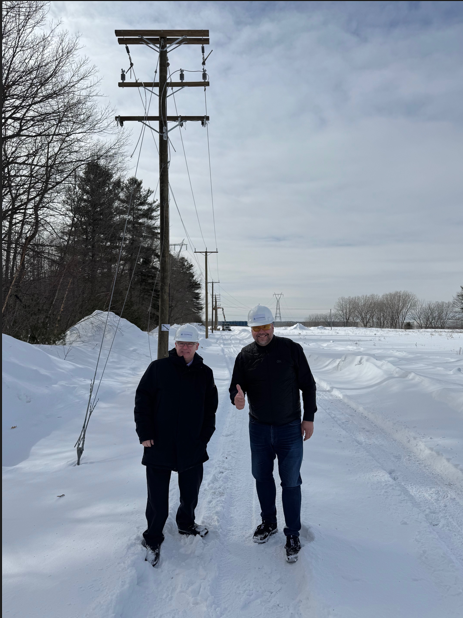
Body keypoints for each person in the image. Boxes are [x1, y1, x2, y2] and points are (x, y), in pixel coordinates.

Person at [229, 305, 317, 563]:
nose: (262, 332)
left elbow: (308, 385)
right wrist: (237, 398)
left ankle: (293, 533)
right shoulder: (245, 355)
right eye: (256, 328)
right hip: (258, 428)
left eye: (265, 327)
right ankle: (269, 522)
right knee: (261, 476)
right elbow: (235, 387)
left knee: (290, 481)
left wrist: (309, 418)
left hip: (289, 428)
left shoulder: (291, 349)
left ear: (272, 326)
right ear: (251, 330)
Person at [134, 324, 218, 566]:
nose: (185, 348)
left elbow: (210, 409)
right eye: (181, 343)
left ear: (197, 346)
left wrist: (203, 437)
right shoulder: (158, 368)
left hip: (192, 444)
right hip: (159, 442)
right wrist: (145, 433)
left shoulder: (205, 373)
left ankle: (186, 523)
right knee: (157, 497)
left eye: (189, 344)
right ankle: (153, 536)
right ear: (175, 344)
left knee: (190, 492)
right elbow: (142, 401)